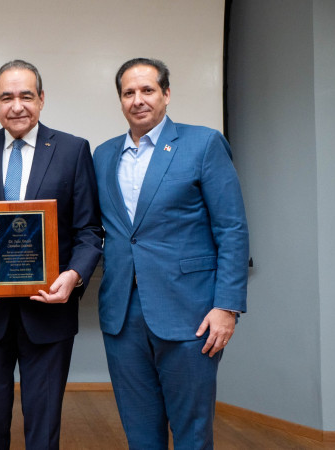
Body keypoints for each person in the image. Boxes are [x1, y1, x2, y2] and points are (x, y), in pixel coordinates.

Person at [0, 60, 103, 450]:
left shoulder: (72, 150)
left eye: (26, 96)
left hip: (49, 310)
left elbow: (89, 231)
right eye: (7, 97)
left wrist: (74, 276)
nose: (17, 106)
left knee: (44, 428)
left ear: (42, 99)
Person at [92, 58, 249, 449]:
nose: (138, 100)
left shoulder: (204, 143)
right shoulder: (103, 155)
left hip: (190, 315)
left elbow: (231, 229)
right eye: (129, 92)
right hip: (122, 317)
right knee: (140, 434)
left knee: (192, 434)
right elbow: (99, 231)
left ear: (166, 94)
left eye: (147, 90)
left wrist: (227, 307)